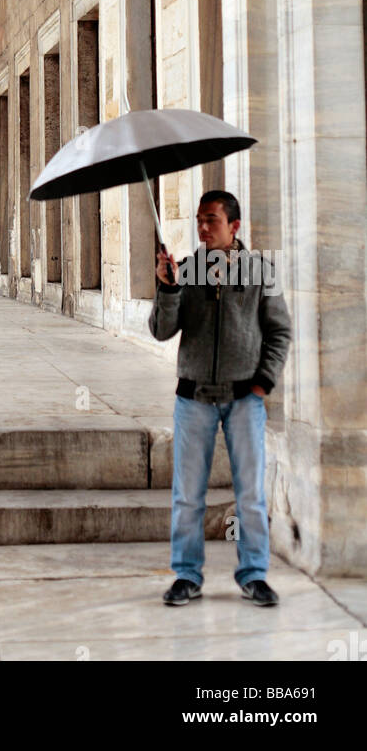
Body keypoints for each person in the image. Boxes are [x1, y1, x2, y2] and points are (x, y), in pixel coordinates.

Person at [149, 190, 291, 607]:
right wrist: (167, 287)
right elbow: (161, 330)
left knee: (250, 493)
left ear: (234, 226)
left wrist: (264, 381)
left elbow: (279, 330)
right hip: (193, 399)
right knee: (188, 493)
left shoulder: (261, 271)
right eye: (198, 220)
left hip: (245, 397)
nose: (203, 228)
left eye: (211, 219)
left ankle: (253, 574)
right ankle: (186, 575)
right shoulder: (186, 271)